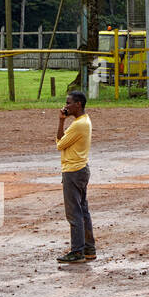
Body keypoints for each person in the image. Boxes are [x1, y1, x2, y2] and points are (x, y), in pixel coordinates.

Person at [54, 90, 95, 264]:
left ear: (78, 104)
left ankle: (77, 251)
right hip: (81, 169)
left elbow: (60, 143)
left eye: (69, 103)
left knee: (74, 213)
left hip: (73, 171)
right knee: (83, 211)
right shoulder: (84, 120)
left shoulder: (78, 125)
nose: (66, 106)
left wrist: (61, 121)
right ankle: (88, 249)